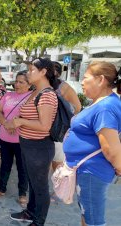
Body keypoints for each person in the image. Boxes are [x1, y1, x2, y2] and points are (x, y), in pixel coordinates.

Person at [63, 61, 121, 226]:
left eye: (85, 77)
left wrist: (119, 167)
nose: (81, 81)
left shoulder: (105, 107)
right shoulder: (101, 102)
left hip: (92, 172)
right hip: (87, 172)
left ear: (100, 80)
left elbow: (110, 149)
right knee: (87, 216)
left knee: (94, 221)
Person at [9, 58, 58, 226]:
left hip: (39, 147)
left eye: (31, 70)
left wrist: (21, 122)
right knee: (33, 183)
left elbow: (45, 126)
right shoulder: (35, 91)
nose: (28, 73)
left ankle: (38, 222)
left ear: (43, 72)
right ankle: (30, 212)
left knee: (41, 188)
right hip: (28, 145)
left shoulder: (47, 95)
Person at [0, 70, 31, 208]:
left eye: (21, 82)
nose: (17, 84)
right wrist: (6, 124)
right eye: (16, 81)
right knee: (5, 164)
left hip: (22, 138)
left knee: (22, 167)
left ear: (29, 84)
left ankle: (22, 193)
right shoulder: (8, 95)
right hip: (5, 136)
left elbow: (31, 115)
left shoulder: (32, 97)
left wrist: (15, 123)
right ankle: (1, 189)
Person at [50, 62, 82, 174]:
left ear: (57, 73)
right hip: (42, 130)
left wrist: (63, 116)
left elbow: (77, 107)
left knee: (57, 161)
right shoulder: (41, 85)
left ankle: (58, 189)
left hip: (58, 129)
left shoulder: (63, 87)